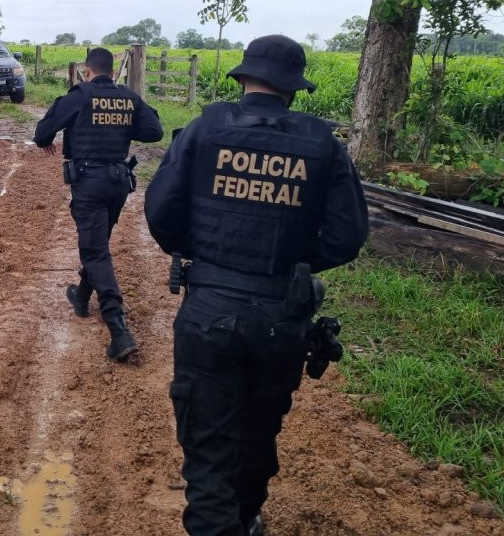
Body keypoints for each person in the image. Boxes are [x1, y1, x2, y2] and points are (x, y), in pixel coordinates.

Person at [144, 35, 368, 536]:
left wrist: (203, 254)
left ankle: (224, 521)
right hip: (280, 316)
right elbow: (347, 237)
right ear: (293, 90)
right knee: (260, 431)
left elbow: (161, 212)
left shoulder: (205, 130)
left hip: (208, 310)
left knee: (209, 449)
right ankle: (246, 519)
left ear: (244, 78)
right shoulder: (322, 145)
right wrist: (290, 262)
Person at [33, 47, 164, 361]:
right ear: (112, 70)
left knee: (95, 250)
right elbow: (154, 131)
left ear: (86, 70)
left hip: (89, 184)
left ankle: (119, 329)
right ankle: (81, 297)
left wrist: (51, 139)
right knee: (98, 244)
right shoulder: (128, 96)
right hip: (119, 182)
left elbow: (41, 134)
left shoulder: (79, 95)